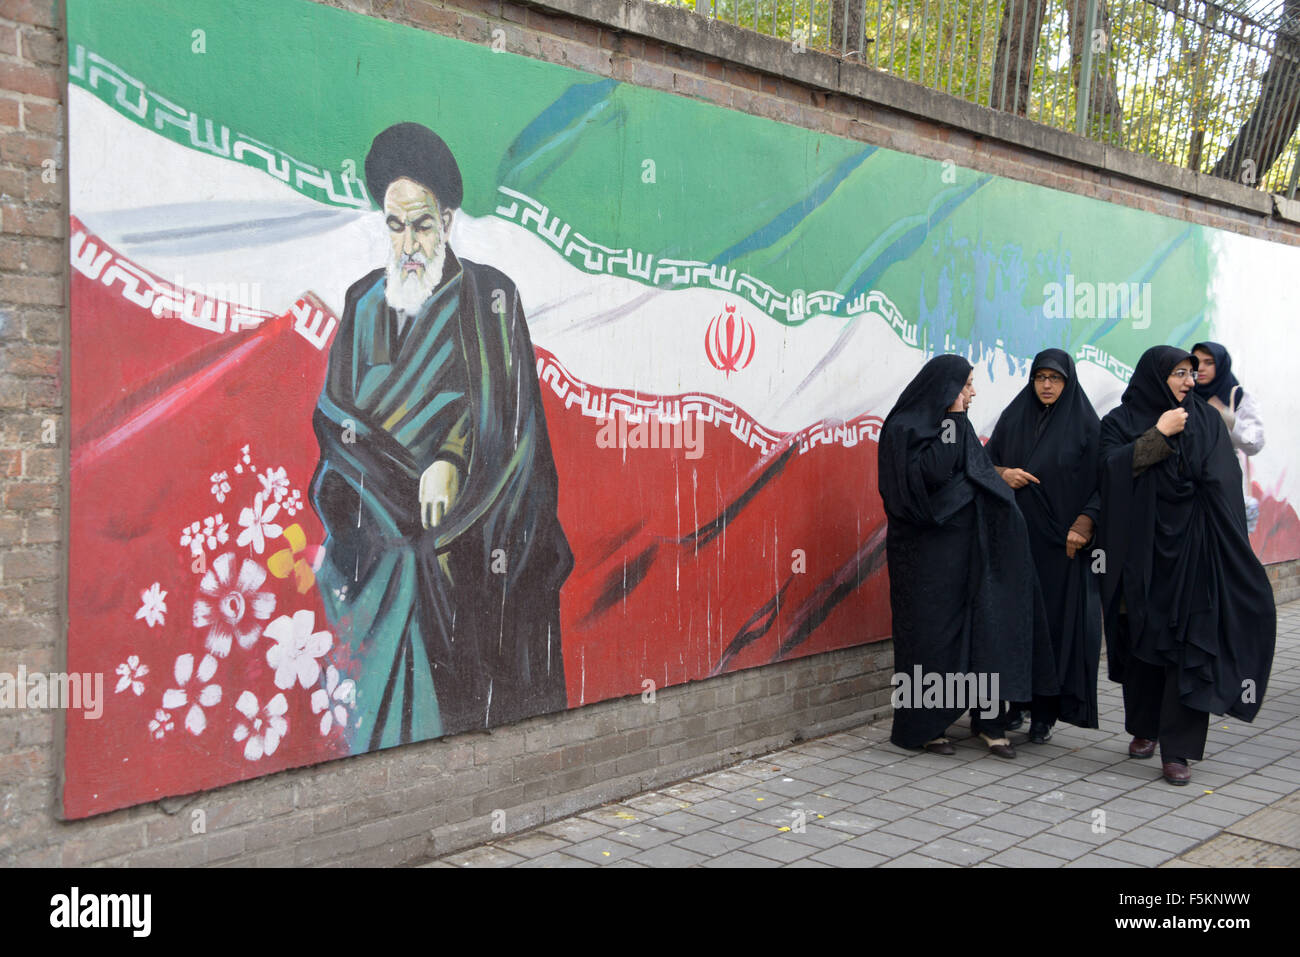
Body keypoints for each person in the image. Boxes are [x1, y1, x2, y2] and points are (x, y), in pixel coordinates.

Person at [310, 122, 572, 750]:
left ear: (448, 221)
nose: (408, 244)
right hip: (376, 542)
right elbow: (335, 423)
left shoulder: (491, 301)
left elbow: (514, 433)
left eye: (422, 225)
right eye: (395, 226)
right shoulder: (362, 303)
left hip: (471, 541)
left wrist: (453, 460)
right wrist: (385, 489)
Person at [1097, 345, 1275, 786]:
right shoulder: (1119, 422)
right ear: (1156, 376)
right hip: (1139, 555)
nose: (1188, 382)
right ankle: (1144, 727)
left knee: (1187, 645)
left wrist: (1232, 552)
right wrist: (1158, 434)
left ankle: (1178, 750)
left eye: (1191, 374)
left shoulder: (1208, 420)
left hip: (1194, 552)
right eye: (1178, 373)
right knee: (1141, 642)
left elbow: (1223, 484)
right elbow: (1107, 473)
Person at [877, 354, 1056, 759]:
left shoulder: (956, 427)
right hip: (923, 559)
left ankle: (989, 722)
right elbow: (938, 473)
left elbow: (976, 475)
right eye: (967, 385)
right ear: (947, 389)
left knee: (985, 629)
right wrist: (954, 417)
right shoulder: (904, 429)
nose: (973, 392)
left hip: (969, 554)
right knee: (929, 639)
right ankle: (924, 725)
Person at [986, 349, 1102, 745]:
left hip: (1062, 547)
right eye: (1040, 377)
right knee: (1018, 623)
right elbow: (982, 465)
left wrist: (1084, 525)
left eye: (1055, 378)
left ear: (1068, 382)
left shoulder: (1086, 425)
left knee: (1053, 627)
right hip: (1017, 542)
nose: (1047, 385)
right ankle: (1016, 703)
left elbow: (1105, 485)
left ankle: (1046, 713)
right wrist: (1004, 473)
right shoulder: (1014, 416)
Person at [1192, 341, 1265, 532]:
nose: (1200, 368)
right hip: (1189, 479)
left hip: (1224, 479)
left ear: (1221, 364)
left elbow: (1254, 443)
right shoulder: (1184, 392)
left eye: (1209, 362)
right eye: (1196, 362)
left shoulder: (1237, 395)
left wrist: (1229, 418)